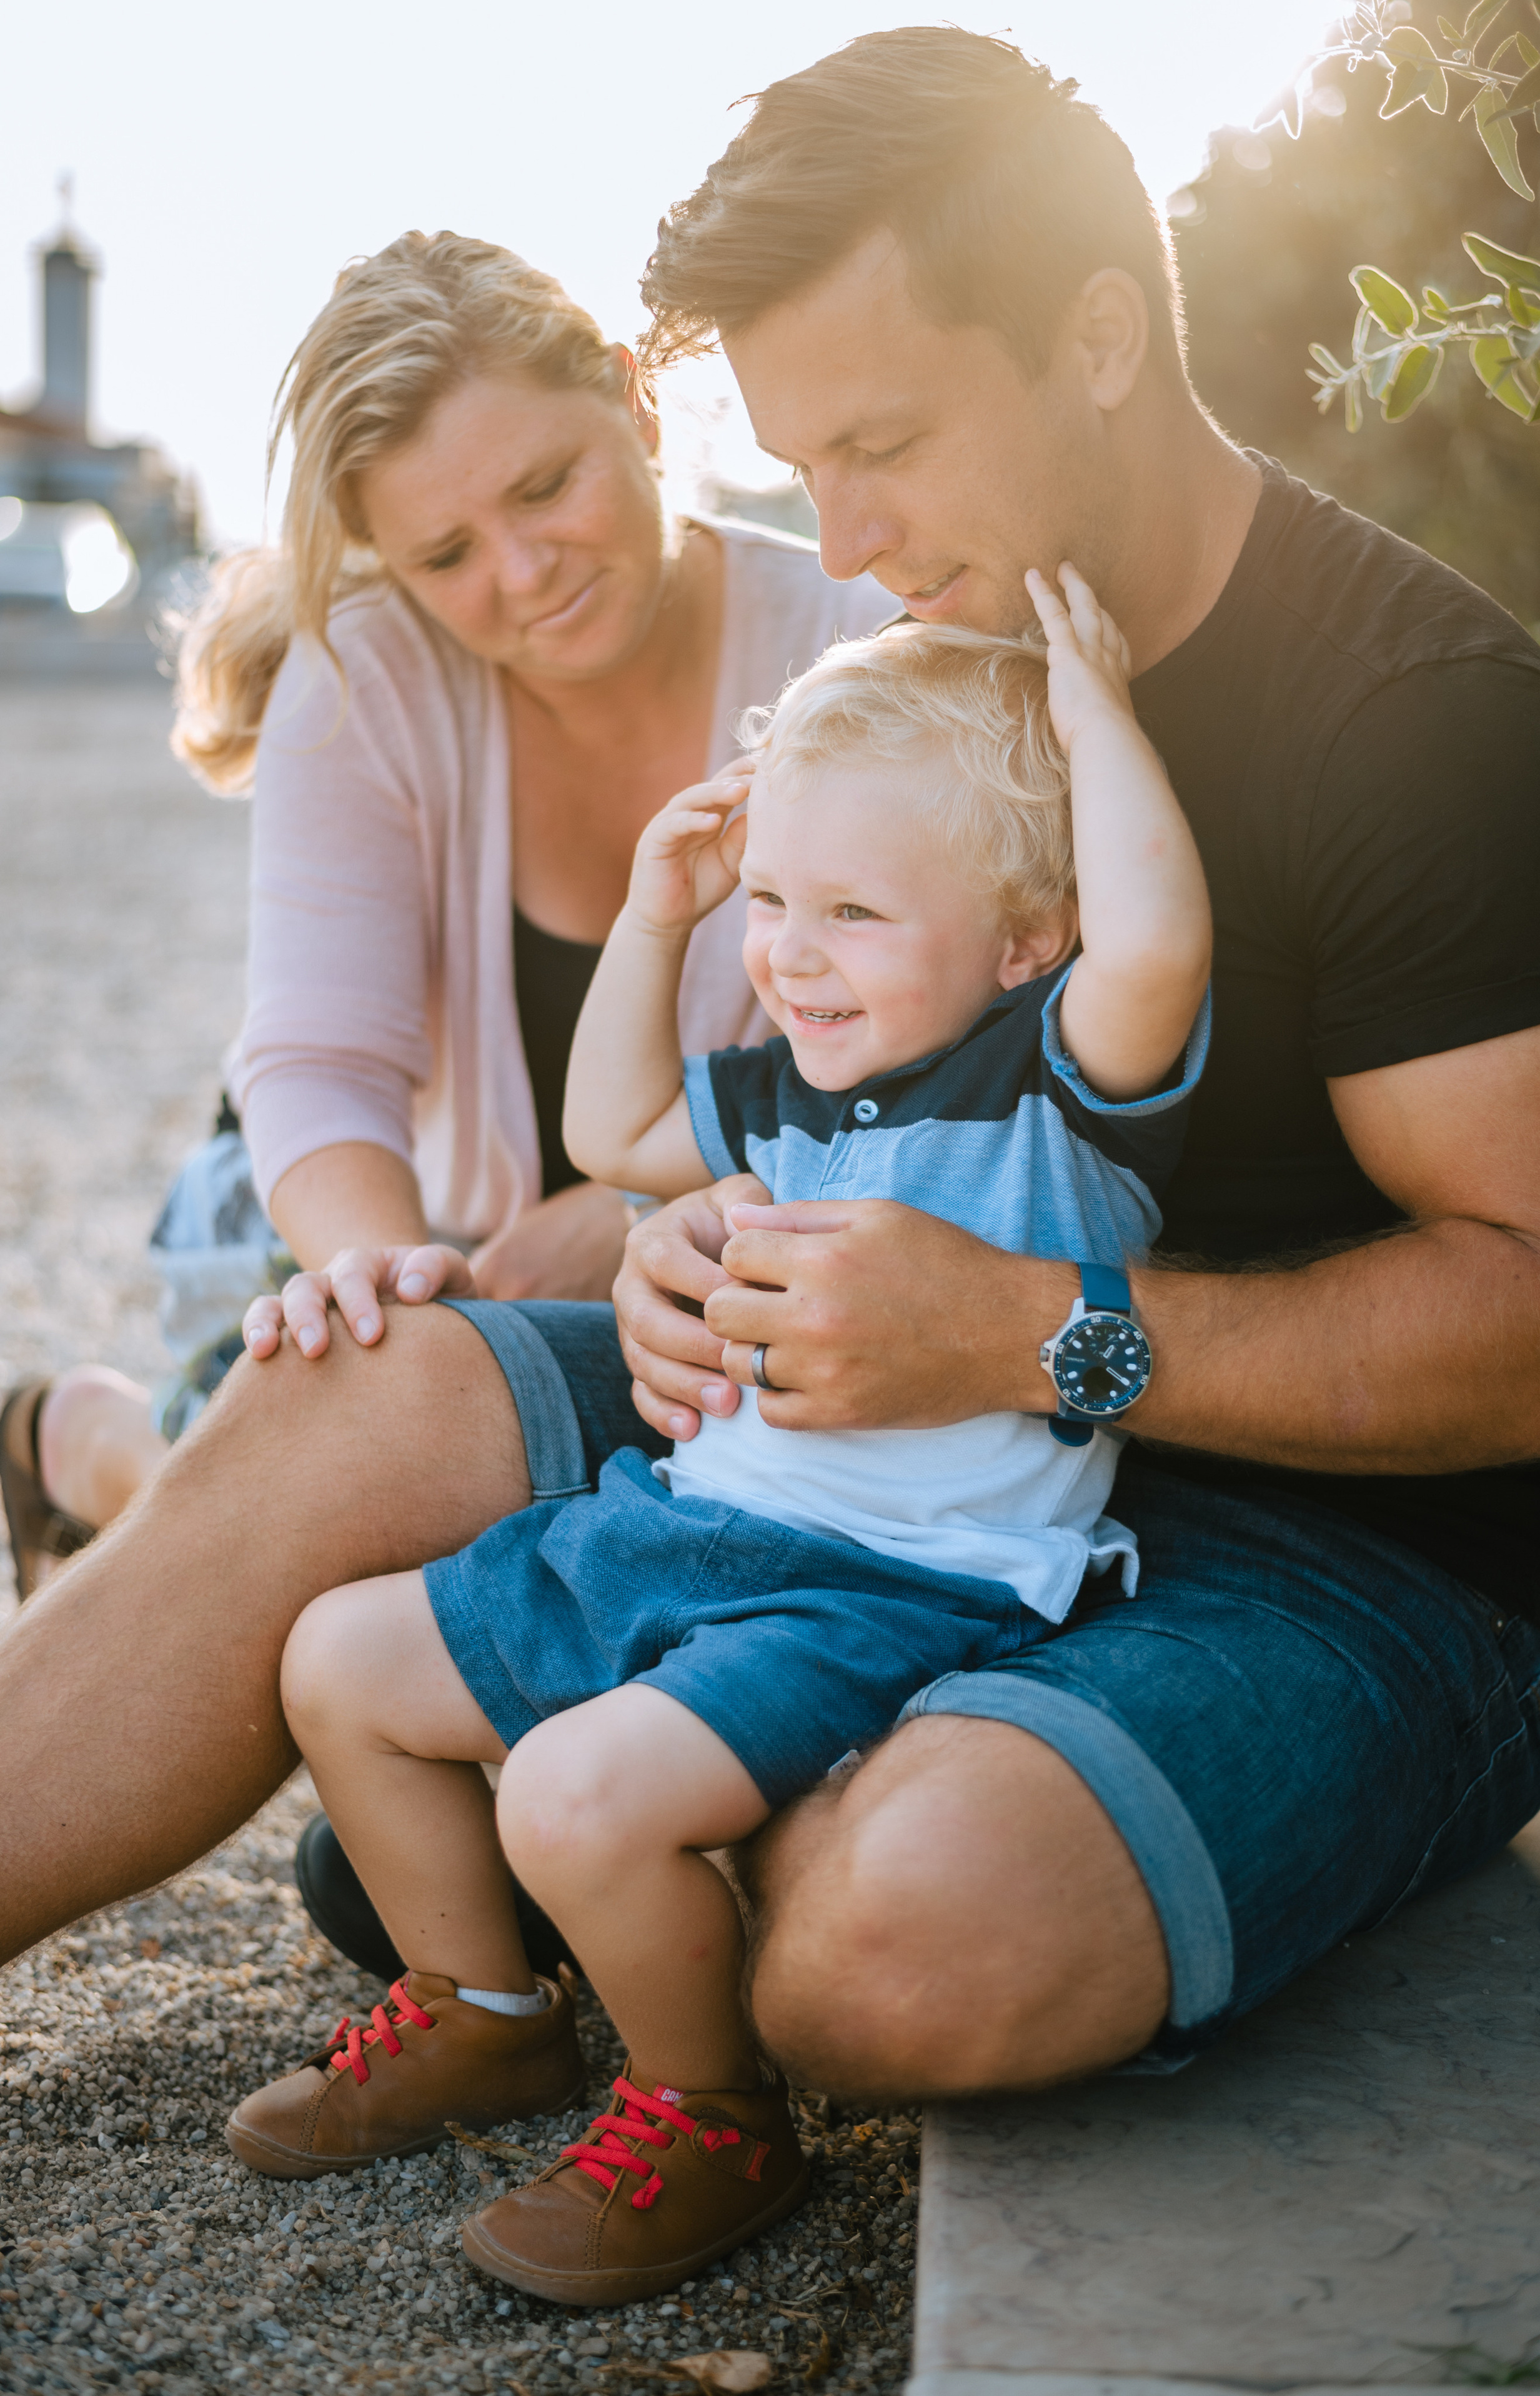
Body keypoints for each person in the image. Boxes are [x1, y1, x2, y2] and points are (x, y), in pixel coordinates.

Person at [3, 29, 1540, 2114]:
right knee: (360, 1372)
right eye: (800, 460)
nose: (840, 534)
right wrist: (686, 1239)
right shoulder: (932, 674)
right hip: (842, 1454)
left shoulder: (1425, 729)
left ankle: (618, 1827)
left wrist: (1043, 1341)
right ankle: (583, 1801)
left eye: (885, 441)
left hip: (1339, 1557)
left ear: (1099, 336)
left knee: (896, 1949)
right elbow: (788, 1105)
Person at [222, 578, 1210, 2301]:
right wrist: (655, 916)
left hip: (889, 1589)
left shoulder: (1054, 1081)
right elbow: (612, 1127)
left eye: (851, 910)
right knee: (338, 1662)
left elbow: (1159, 945)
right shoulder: (791, 1077)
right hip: (687, 1522)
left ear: (1021, 936)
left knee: (574, 1794)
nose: (793, 953)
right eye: (772, 900)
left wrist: (1096, 714)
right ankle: (488, 2011)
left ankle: (710, 2111)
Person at [0, 229, 886, 1598]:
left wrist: (646, 1207)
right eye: (447, 553)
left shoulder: (851, 644)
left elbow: (934, 1052)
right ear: (387, 567)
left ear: (634, 406)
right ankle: (86, 1442)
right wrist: (403, 1290)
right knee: (301, 1516)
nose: (524, 572)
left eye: (547, 486)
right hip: (360, 1206)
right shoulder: (363, 677)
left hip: (728, 1241)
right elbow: (318, 1067)